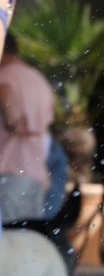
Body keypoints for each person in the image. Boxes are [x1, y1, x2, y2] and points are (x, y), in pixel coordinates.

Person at [0, 33, 56, 224]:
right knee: (25, 241)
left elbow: (7, 101)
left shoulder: (5, 76)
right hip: (35, 174)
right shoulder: (37, 78)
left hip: (7, 172)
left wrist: (12, 121)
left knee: (6, 243)